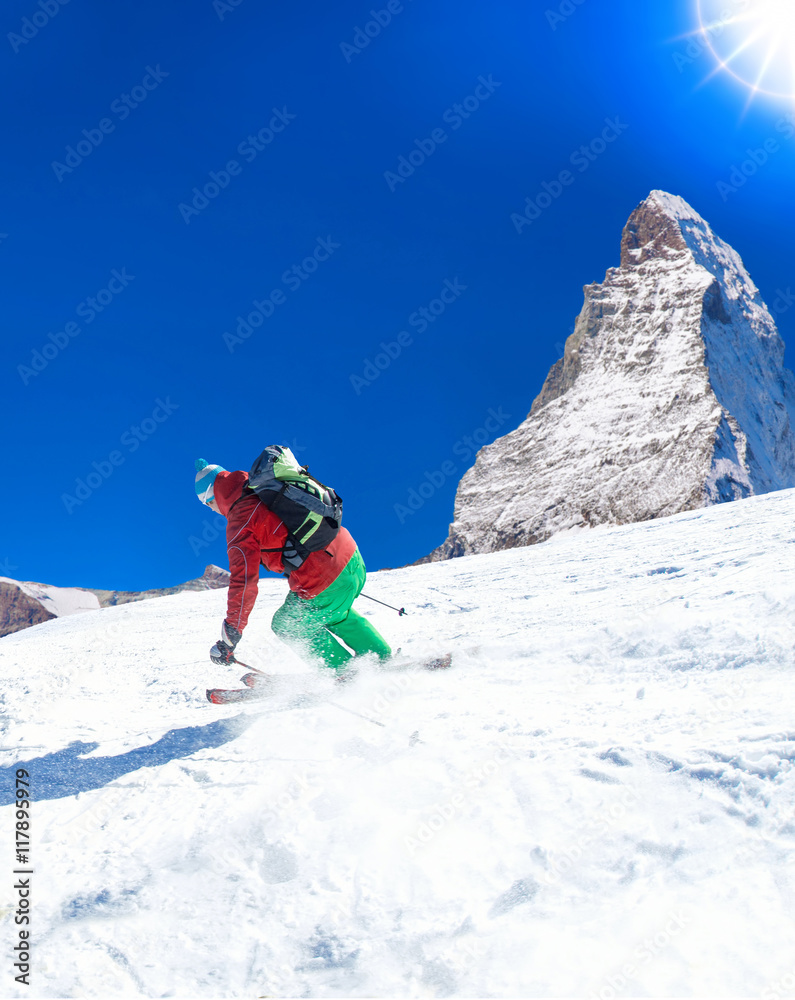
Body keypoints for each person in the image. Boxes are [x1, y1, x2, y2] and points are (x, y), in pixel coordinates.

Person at [194, 457, 392, 673]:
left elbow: (244, 582)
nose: (212, 510)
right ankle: (381, 658)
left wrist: (230, 635)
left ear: (212, 498)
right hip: (352, 557)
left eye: (208, 505)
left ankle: (346, 674)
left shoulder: (239, 520)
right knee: (335, 613)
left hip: (322, 580)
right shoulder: (265, 486)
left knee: (287, 625)